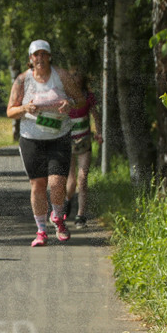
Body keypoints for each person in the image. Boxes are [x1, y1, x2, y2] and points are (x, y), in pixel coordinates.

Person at [5, 39, 84, 247]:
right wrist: (24, 109)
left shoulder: (62, 76)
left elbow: (81, 99)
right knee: (38, 185)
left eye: (43, 54)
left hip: (59, 137)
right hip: (32, 139)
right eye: (35, 55)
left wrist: (70, 103)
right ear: (30, 59)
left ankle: (58, 218)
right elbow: (10, 111)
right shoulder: (23, 80)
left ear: (49, 56)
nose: (39, 58)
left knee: (57, 183)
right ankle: (41, 231)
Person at [64, 71, 103, 228]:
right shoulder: (64, 96)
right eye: (71, 75)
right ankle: (68, 201)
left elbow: (96, 116)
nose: (74, 78)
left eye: (76, 75)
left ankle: (81, 216)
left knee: (83, 178)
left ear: (82, 77)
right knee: (71, 181)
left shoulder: (88, 96)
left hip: (84, 141)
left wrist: (99, 133)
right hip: (67, 141)